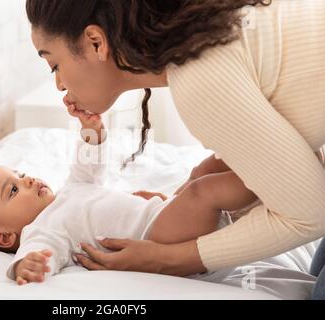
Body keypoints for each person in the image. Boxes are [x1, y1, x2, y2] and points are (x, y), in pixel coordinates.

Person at [25, 0, 325, 298]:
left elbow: (310, 214)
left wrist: (164, 259)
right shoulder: (207, 38)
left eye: (54, 65)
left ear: (95, 43)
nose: (59, 85)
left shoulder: (199, 81)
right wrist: (174, 207)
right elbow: (295, 156)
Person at [0, 105, 256, 285]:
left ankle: (262, 155)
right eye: (13, 189)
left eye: (19, 174)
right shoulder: (42, 230)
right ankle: (272, 175)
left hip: (165, 217)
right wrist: (23, 266)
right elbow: (39, 254)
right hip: (160, 237)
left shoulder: (70, 190)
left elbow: (89, 164)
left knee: (204, 170)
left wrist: (91, 131)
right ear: (3, 237)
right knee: (203, 191)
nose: (27, 179)